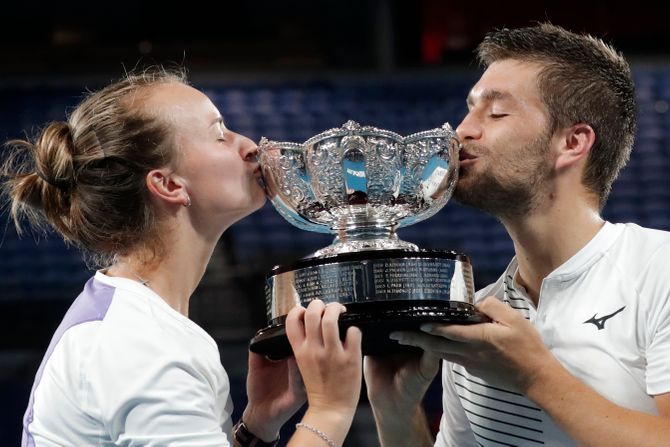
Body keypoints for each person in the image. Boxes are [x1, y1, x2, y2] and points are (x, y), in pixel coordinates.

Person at [1, 67, 363, 446]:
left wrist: (256, 427)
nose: (251, 147)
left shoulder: (140, 323)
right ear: (169, 184)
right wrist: (329, 411)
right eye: (219, 135)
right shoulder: (138, 344)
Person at [364, 22, 670, 446]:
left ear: (572, 142)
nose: (462, 131)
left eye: (495, 112)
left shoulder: (659, 270)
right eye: (469, 109)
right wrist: (395, 413)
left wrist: (534, 375)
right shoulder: (478, 311)